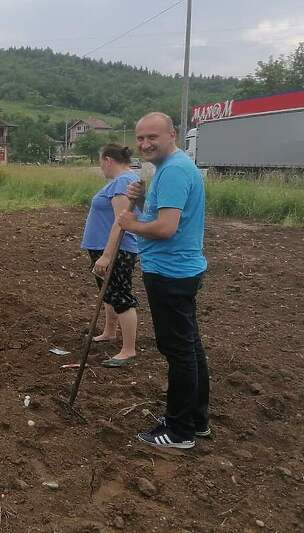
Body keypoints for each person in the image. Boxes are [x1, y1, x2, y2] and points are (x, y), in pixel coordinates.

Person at [117, 112, 209, 450]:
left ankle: (180, 430)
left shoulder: (172, 171)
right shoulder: (175, 168)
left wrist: (131, 224)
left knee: (179, 350)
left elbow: (165, 228)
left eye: (152, 137)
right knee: (190, 347)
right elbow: (165, 216)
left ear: (172, 134)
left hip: (170, 273)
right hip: (180, 269)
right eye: (140, 138)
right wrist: (141, 202)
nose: (145, 144)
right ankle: (197, 420)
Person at [81, 144, 141, 368]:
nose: (101, 168)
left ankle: (128, 350)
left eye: (100, 163)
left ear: (108, 160)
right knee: (108, 293)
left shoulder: (122, 182)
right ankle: (109, 332)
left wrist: (107, 256)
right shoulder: (123, 181)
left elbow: (121, 221)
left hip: (117, 249)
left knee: (121, 297)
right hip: (103, 247)